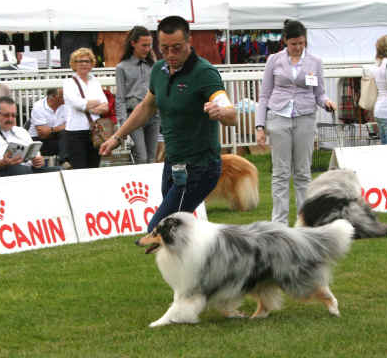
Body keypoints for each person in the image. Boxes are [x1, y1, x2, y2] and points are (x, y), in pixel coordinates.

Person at [100, 15, 236, 233]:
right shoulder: (159, 70)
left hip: (200, 166)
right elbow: (146, 107)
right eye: (164, 49)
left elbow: (231, 115)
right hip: (173, 163)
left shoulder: (205, 73)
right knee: (179, 234)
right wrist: (118, 137)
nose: (170, 55)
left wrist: (221, 111)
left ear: (189, 42)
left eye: (177, 48)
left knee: (160, 230)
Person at [255, 19, 336, 226]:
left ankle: (305, 221)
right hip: (278, 118)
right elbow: (264, 95)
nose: (298, 47)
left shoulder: (315, 62)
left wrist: (326, 102)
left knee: (303, 172)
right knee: (280, 173)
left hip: (305, 118)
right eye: (294, 44)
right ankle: (279, 224)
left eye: (301, 43)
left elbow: (319, 93)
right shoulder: (274, 60)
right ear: (285, 41)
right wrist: (260, 126)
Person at [0, 96, 61, 176]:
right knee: (21, 170)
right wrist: (2, 163)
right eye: (6, 115)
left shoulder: (21, 131)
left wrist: (39, 161)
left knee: (59, 171)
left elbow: (36, 155)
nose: (10, 119)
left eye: (13, 116)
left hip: (28, 169)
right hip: (2, 170)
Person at [115, 26, 159, 164]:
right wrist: (123, 126)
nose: (147, 49)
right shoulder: (121, 67)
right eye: (144, 45)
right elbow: (120, 98)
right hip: (133, 117)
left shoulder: (154, 65)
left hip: (154, 117)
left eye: (149, 45)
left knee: (152, 158)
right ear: (133, 43)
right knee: (141, 157)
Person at [62, 48, 109, 169]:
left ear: (91, 63)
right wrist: (94, 104)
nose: (83, 64)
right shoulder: (68, 83)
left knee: (94, 168)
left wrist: (89, 105)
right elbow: (78, 104)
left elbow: (105, 105)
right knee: (79, 169)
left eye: (87, 61)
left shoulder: (95, 82)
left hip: (95, 131)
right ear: (74, 64)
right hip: (75, 132)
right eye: (79, 61)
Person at [28, 88, 69, 167]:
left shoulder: (67, 105)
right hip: (39, 141)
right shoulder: (38, 106)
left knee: (71, 137)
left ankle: (65, 163)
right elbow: (42, 134)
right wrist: (61, 128)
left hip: (58, 138)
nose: (67, 97)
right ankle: (65, 163)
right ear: (53, 97)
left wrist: (51, 130)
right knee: (65, 136)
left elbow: (70, 125)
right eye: (63, 96)